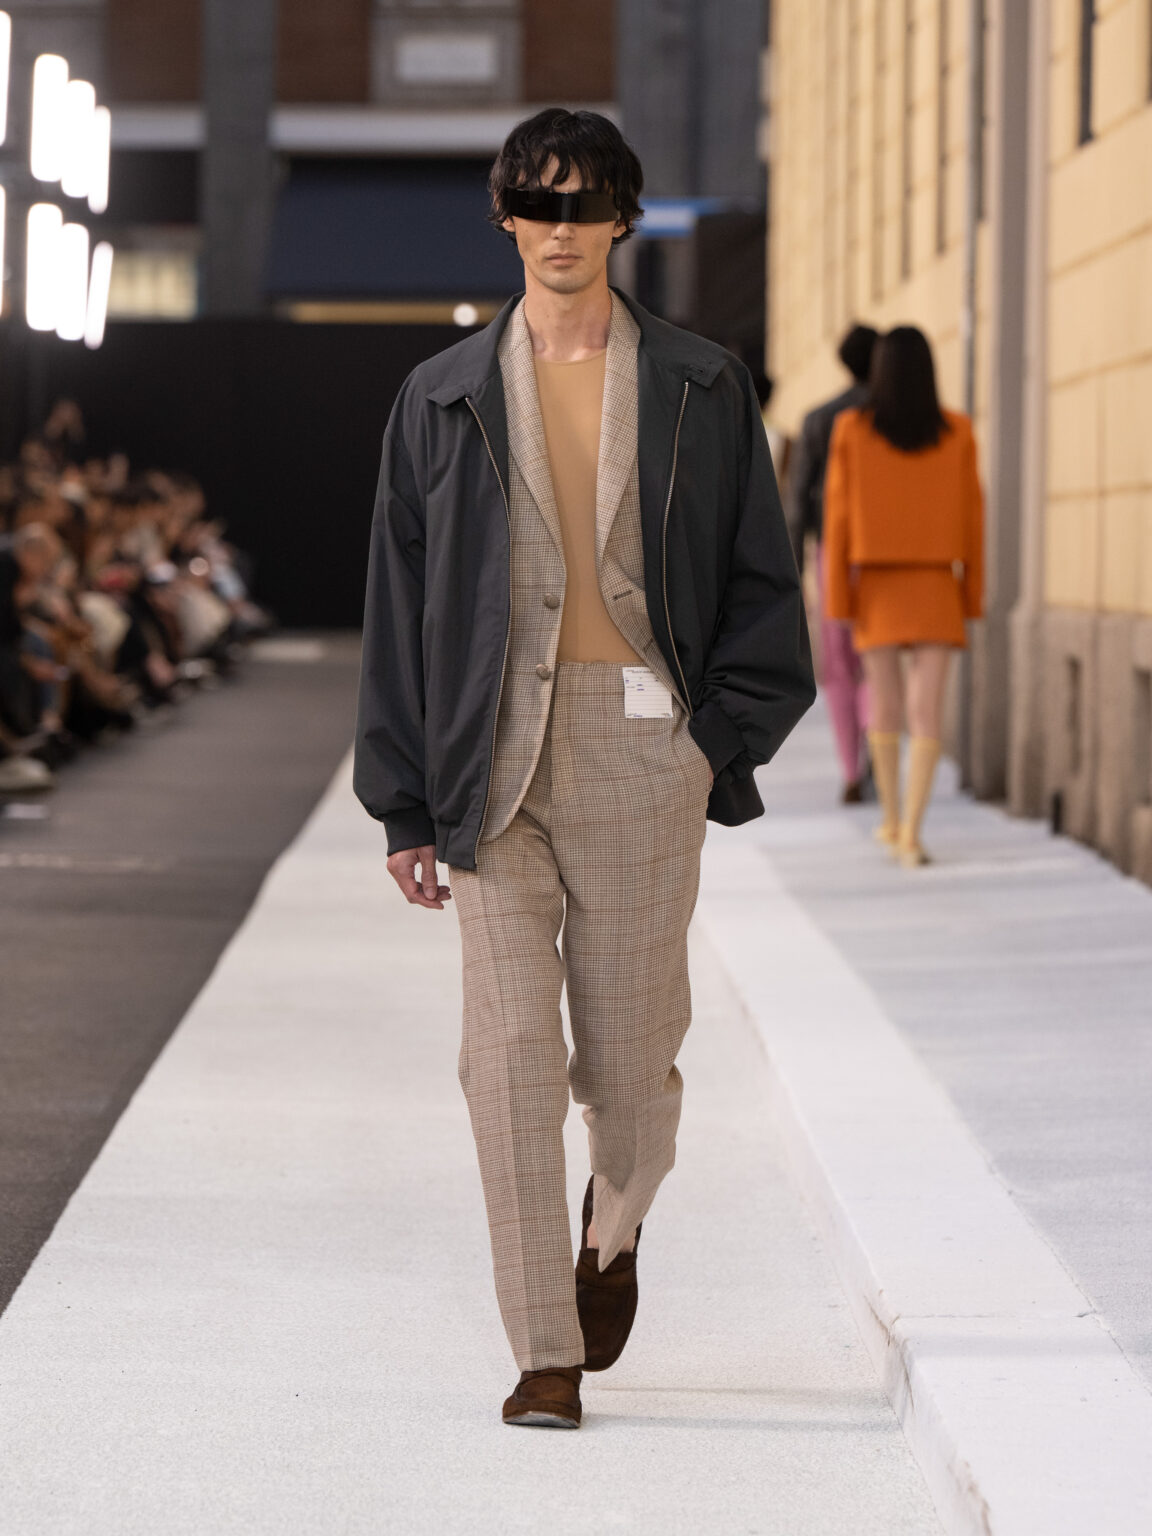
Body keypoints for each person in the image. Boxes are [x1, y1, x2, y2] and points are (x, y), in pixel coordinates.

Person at [353, 107, 815, 1430]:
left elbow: (759, 578)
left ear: (622, 218)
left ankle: (613, 1226)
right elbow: (398, 604)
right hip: (485, 757)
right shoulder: (440, 396)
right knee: (503, 1058)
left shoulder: (701, 385)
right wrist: (403, 798)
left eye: (585, 203)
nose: (561, 229)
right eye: (539, 203)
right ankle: (543, 1351)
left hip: (640, 749)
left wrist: (714, 741)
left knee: (630, 1068)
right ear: (506, 217)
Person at [822, 325, 984, 867]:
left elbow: (837, 519)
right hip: (937, 582)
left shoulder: (851, 430)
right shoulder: (959, 432)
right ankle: (913, 830)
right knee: (926, 706)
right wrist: (973, 595)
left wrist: (837, 599)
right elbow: (974, 518)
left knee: (885, 702)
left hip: (877, 585)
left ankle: (892, 821)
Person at [788, 324, 879, 803]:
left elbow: (798, 501)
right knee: (878, 664)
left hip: (833, 553)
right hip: (882, 556)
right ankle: (879, 751)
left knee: (841, 667)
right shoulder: (891, 416)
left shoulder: (820, 419)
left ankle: (851, 766)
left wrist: (793, 571)